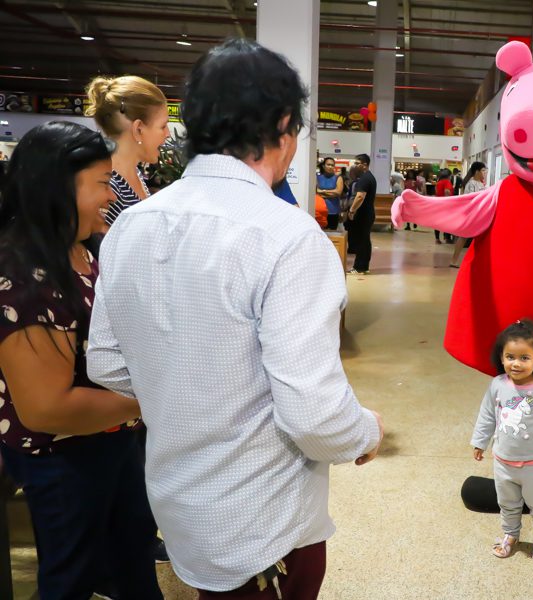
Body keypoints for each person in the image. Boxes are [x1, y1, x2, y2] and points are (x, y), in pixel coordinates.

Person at [86, 39, 383, 598]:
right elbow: (314, 416)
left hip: (179, 505)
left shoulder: (130, 225)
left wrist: (184, 389)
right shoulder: (288, 237)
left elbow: (106, 362)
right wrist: (365, 431)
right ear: (284, 125)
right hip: (266, 523)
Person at [0, 121, 162, 599]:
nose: (110, 195)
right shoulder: (25, 278)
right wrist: (149, 401)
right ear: (58, 187)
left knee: (132, 557)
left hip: (109, 441)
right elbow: (46, 407)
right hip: (62, 457)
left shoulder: (84, 249)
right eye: (99, 183)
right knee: (71, 577)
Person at [471, 320, 533, 564]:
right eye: (510, 356)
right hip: (502, 460)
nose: (516, 363)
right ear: (501, 358)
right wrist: (480, 441)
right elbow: (487, 414)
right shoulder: (498, 384)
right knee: (508, 503)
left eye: (524, 357)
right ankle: (510, 534)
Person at [85, 75, 169, 227]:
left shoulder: (134, 175)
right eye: (163, 126)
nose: (168, 134)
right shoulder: (111, 187)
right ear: (138, 129)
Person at [449, 161, 487, 268]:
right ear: (476, 171)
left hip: (479, 215)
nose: (485, 173)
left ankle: (476, 261)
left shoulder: (481, 184)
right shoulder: (471, 184)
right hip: (471, 214)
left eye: (485, 171)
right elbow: (469, 199)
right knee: (463, 237)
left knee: (477, 239)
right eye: (483, 170)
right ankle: (454, 260)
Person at [347, 153, 377, 274]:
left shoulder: (365, 179)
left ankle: (360, 267)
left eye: (357, 163)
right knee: (364, 240)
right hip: (368, 213)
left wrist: (352, 210)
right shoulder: (369, 177)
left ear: (365, 165)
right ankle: (363, 266)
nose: (355, 166)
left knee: (361, 240)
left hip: (363, 214)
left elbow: (360, 197)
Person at [316, 157, 344, 230]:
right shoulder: (317, 177)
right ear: (323, 166)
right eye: (328, 164)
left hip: (333, 212)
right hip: (320, 211)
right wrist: (332, 192)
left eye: (332, 165)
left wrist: (323, 191)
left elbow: (338, 192)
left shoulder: (338, 178)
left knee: (332, 236)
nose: (330, 167)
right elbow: (316, 192)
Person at [433, 168, 455, 244]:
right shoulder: (447, 182)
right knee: (448, 221)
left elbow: (436, 192)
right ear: (449, 175)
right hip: (445, 204)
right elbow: (447, 191)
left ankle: (437, 238)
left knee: (437, 222)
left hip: (438, 204)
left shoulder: (439, 182)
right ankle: (447, 238)